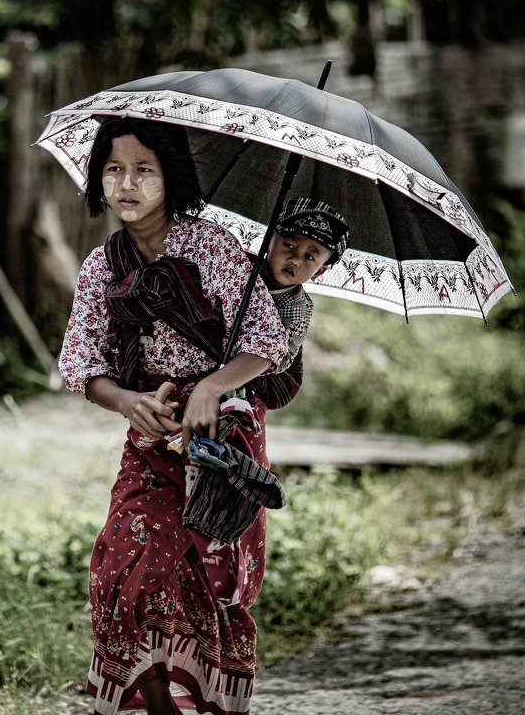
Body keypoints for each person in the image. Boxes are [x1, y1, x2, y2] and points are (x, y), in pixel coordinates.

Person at [58, 117, 290, 715]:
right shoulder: (100, 267)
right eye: (113, 169)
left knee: (210, 584)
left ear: (170, 178)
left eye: (144, 170)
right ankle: (160, 707)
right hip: (152, 436)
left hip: (223, 438)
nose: (126, 183)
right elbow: (81, 364)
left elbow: (268, 340)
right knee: (120, 566)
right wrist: (130, 403)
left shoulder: (209, 247)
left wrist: (213, 385)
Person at [252, 198, 351, 410]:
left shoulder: (297, 308)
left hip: (250, 381)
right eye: (288, 245)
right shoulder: (238, 268)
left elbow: (282, 358)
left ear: (320, 271)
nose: (295, 260)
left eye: (309, 257)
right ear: (269, 239)